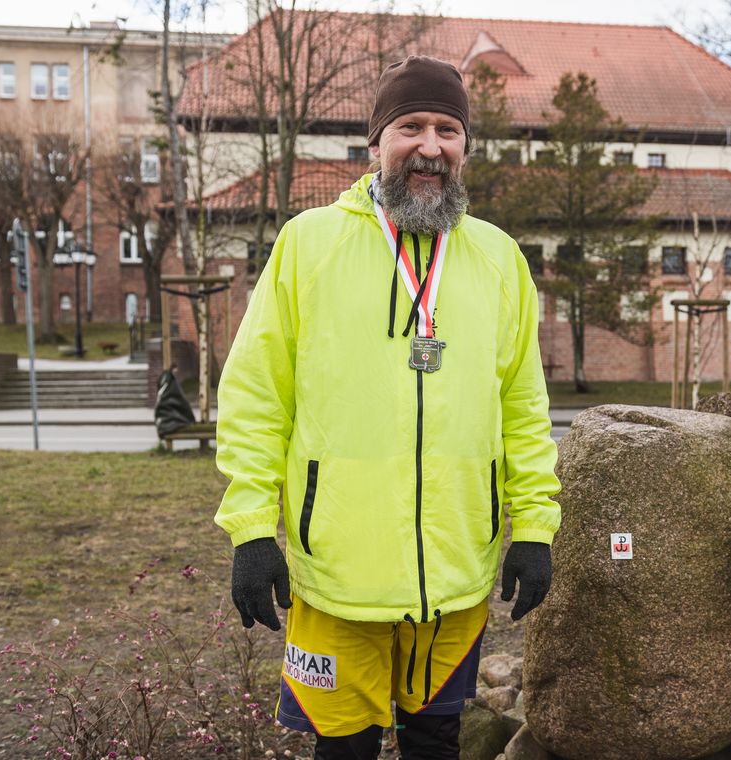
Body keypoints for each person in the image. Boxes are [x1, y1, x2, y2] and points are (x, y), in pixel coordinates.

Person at [213, 55, 561, 760]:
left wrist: (534, 525)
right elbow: (256, 396)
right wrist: (251, 529)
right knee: (343, 747)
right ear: (376, 143)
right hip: (338, 572)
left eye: (447, 129)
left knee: (437, 739)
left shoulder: (498, 258)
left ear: (465, 146)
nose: (430, 146)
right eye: (410, 126)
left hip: (457, 572)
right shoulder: (307, 245)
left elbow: (523, 406)